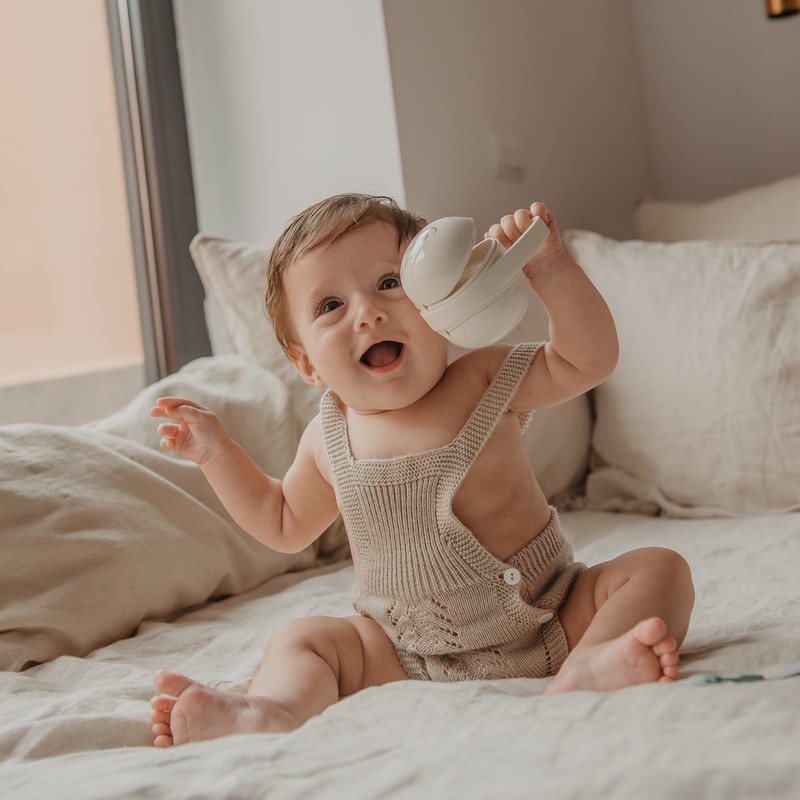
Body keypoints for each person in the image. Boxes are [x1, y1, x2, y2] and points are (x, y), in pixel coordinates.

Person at [149, 194, 694, 747]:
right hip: (401, 651)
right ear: (307, 363)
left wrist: (547, 267)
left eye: (390, 283)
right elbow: (282, 522)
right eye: (330, 305)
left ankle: (593, 664)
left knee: (659, 569)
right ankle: (270, 709)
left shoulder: (484, 377)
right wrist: (217, 455)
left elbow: (588, 359)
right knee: (302, 638)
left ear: (442, 301)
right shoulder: (327, 439)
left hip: (550, 615)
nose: (368, 312)